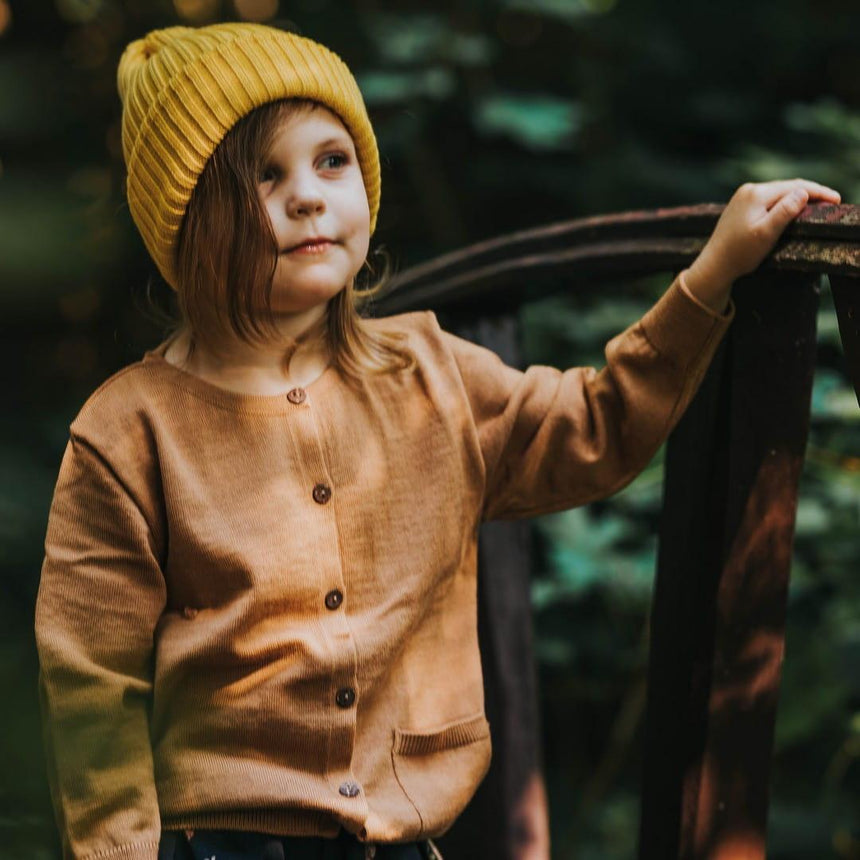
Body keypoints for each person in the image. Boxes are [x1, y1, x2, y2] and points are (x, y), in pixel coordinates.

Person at [33, 20, 840, 860]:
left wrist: (711, 276)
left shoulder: (431, 373)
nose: (307, 195)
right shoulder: (127, 430)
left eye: (331, 160)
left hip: (403, 834)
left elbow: (594, 427)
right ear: (188, 225)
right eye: (262, 176)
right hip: (216, 842)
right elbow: (92, 680)